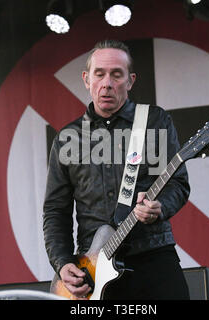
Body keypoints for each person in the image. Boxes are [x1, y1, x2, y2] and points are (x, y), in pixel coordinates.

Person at [43, 39, 190, 300]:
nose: (107, 83)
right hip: (93, 269)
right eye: (99, 74)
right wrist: (63, 263)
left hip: (153, 255)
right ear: (87, 79)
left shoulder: (155, 121)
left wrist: (160, 208)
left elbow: (177, 184)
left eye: (116, 74)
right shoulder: (67, 138)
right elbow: (56, 211)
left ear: (130, 81)